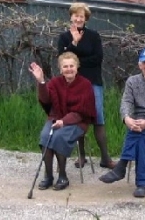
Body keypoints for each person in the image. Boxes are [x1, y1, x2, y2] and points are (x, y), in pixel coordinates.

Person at [98, 47, 145, 198]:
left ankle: (121, 167)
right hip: (139, 123)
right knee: (140, 136)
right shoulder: (132, 81)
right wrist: (127, 118)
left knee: (139, 131)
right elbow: (126, 102)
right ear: (140, 65)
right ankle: (142, 184)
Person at [57, 2, 115, 169]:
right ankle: (81, 156)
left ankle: (105, 158)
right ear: (71, 17)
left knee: (98, 118)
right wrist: (74, 44)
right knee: (78, 117)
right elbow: (63, 59)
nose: (79, 18)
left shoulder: (93, 36)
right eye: (76, 15)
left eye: (82, 16)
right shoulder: (64, 38)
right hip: (73, 84)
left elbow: (98, 58)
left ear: (86, 19)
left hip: (93, 82)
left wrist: (76, 63)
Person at [29, 52, 97, 191]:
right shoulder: (55, 82)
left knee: (59, 137)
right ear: (61, 69)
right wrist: (41, 82)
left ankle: (63, 176)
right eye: (65, 66)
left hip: (78, 122)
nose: (69, 69)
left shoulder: (85, 84)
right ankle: (48, 176)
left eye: (71, 66)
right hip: (56, 118)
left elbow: (82, 112)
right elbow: (46, 100)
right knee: (45, 136)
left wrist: (64, 122)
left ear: (77, 67)